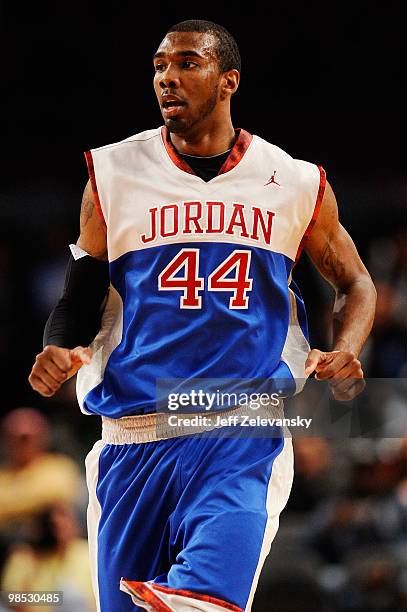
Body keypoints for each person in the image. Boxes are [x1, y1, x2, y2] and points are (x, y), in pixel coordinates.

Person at [28, 19, 376, 612]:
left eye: (187, 63)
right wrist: (58, 345)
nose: (168, 78)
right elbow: (81, 294)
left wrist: (348, 347)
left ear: (228, 80)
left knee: (202, 600)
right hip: (131, 438)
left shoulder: (292, 181)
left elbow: (356, 282)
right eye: (160, 66)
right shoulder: (112, 173)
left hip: (239, 432)